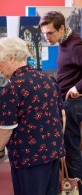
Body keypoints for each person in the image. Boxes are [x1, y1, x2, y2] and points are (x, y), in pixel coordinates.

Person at [0, 37, 65, 195]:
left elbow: (6, 129)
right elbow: (61, 116)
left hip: (29, 158)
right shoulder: (49, 80)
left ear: (12, 58)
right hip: (53, 153)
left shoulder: (12, 87)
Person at [38, 11, 82, 194]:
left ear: (62, 28)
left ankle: (74, 190)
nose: (47, 38)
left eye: (50, 33)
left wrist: (78, 87)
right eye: (44, 34)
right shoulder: (65, 42)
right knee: (68, 149)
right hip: (65, 104)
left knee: (71, 151)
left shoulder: (75, 46)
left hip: (72, 105)